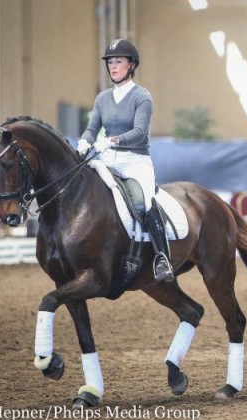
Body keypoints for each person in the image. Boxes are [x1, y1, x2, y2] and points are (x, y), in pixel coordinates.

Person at [76, 38, 173, 282]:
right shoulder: (102, 99)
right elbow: (92, 128)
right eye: (110, 62)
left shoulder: (142, 96)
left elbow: (140, 132)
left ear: (131, 65)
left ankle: (162, 257)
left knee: (144, 201)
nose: (113, 66)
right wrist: (84, 141)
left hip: (135, 160)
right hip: (107, 158)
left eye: (118, 61)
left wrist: (112, 140)